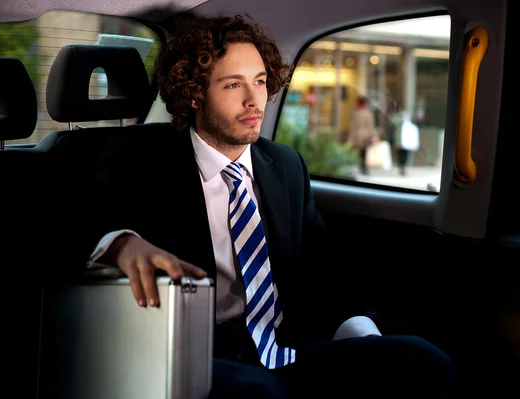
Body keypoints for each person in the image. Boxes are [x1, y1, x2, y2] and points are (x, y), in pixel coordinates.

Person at [85, 14, 452, 399]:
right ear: (194, 94)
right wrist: (122, 243)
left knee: (424, 360)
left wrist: (359, 336)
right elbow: (71, 225)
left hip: (286, 348)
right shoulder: (140, 161)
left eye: (259, 81)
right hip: (194, 351)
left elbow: (325, 269)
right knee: (260, 394)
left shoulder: (285, 166)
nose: (254, 100)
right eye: (233, 85)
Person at [347, 96, 379, 175]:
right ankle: (363, 167)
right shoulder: (368, 113)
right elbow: (370, 125)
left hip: (357, 135)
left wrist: (351, 138)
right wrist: (373, 135)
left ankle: (361, 166)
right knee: (364, 151)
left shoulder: (355, 112)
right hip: (365, 135)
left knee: (360, 152)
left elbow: (353, 125)